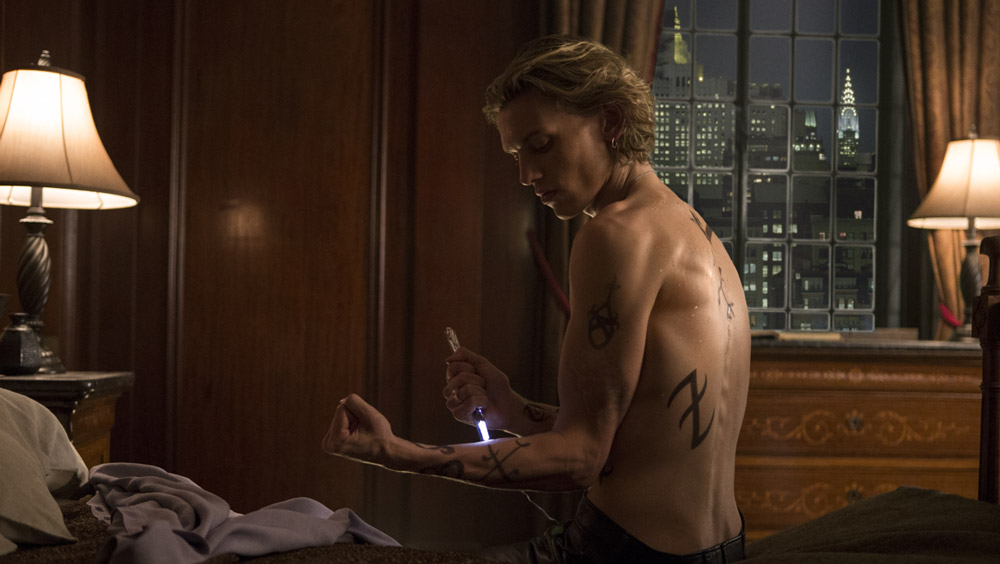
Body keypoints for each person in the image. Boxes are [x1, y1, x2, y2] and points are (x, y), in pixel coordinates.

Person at [323, 35, 751, 563]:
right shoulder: (696, 234)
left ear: (611, 121)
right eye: (515, 155)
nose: (526, 175)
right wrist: (511, 409)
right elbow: (636, 443)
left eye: (541, 145)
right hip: (720, 548)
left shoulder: (616, 235)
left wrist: (397, 452)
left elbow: (581, 459)